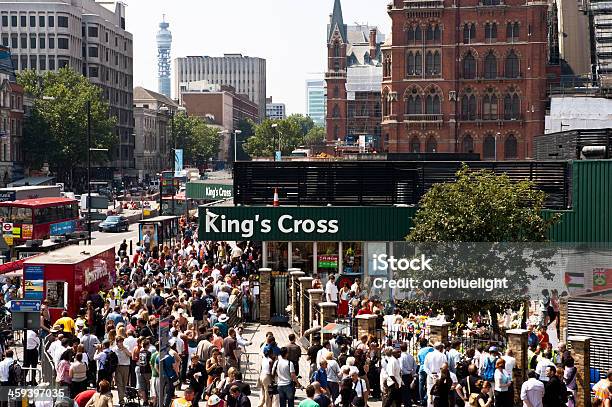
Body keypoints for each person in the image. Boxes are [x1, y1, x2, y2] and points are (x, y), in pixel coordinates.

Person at [424, 342, 448, 407]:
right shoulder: (443, 355)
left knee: (430, 393)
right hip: (439, 377)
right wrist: (439, 375)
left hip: (430, 376)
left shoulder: (428, 355)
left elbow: (425, 367)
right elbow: (445, 367)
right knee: (438, 393)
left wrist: (431, 375)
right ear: (440, 348)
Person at [113, 336, 132, 405]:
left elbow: (130, 355)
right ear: (117, 342)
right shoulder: (114, 349)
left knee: (124, 383)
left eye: (121, 341)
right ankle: (121, 400)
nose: (120, 343)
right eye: (119, 342)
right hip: (118, 367)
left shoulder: (126, 347)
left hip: (126, 367)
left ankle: (122, 396)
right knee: (119, 384)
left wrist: (124, 349)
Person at [400, 342, 417, 407]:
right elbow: (415, 366)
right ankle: (409, 403)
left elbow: (401, 367)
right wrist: (412, 372)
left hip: (404, 375)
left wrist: (408, 372)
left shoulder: (401, 356)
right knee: (409, 390)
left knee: (405, 391)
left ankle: (407, 403)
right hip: (410, 375)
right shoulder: (410, 356)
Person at [418, 338, 434, 406]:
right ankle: (426, 398)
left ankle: (422, 400)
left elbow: (419, 360)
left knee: (421, 385)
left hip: (421, 368)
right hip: (428, 368)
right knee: (429, 384)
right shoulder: (430, 349)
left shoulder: (420, 351)